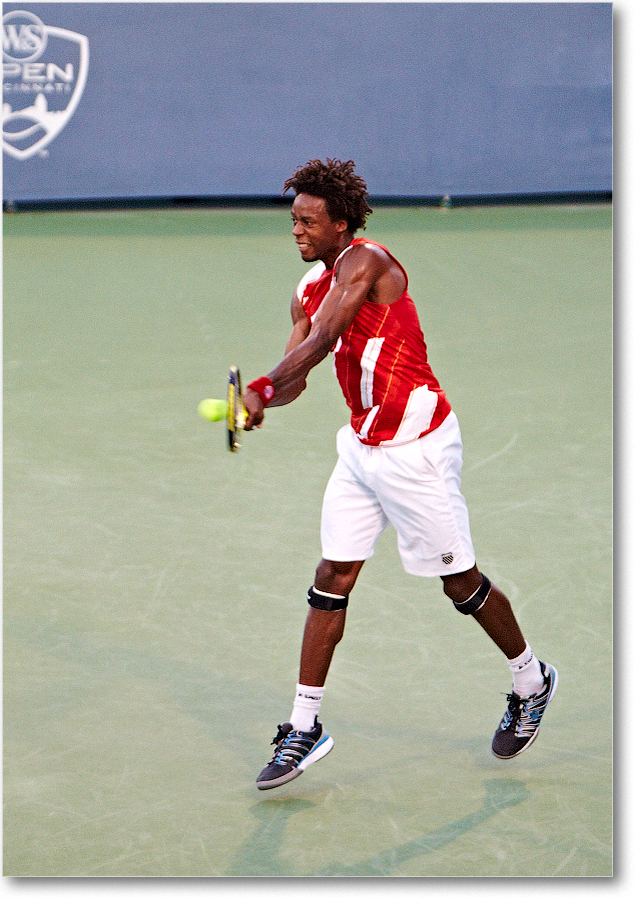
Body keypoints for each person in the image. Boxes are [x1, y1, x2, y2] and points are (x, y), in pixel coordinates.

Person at [242, 159, 558, 791]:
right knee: (331, 577)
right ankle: (304, 727)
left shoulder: (368, 262)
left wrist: (263, 383)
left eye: (307, 220)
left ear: (340, 222)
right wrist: (267, 399)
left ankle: (531, 679)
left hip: (417, 447)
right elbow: (298, 369)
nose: (297, 230)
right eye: (293, 220)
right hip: (361, 450)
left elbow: (328, 337)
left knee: (459, 584)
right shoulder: (307, 287)